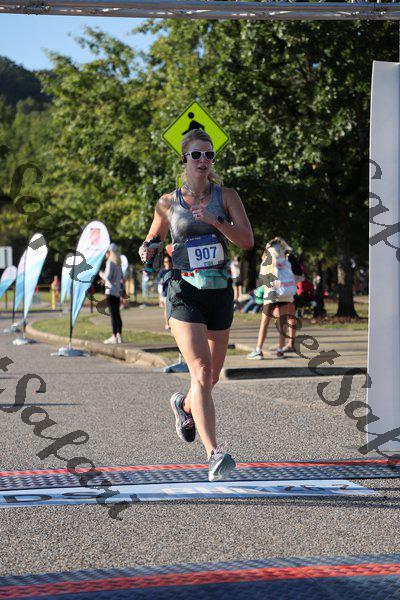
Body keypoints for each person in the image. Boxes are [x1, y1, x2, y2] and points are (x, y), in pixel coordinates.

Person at [139, 129, 253, 481]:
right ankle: (214, 453)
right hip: (183, 289)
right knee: (201, 371)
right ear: (185, 159)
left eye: (209, 155)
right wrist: (148, 251)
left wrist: (215, 220)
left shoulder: (226, 196)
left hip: (218, 290)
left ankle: (184, 405)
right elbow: (152, 242)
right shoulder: (167, 202)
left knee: (212, 376)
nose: (203, 161)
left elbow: (247, 241)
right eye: (197, 155)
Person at [247, 238, 299, 360]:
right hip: (285, 294)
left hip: (271, 294)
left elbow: (262, 278)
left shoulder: (267, 262)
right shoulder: (286, 262)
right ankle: (280, 350)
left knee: (264, 323)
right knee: (282, 323)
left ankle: (258, 350)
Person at [99, 243, 123, 344]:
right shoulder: (118, 263)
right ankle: (119, 335)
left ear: (110, 252)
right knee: (117, 314)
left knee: (113, 314)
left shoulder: (110, 262)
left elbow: (108, 277)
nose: (105, 254)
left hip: (110, 291)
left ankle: (114, 336)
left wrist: (101, 274)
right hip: (117, 291)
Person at [157, 255, 172, 329]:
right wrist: (160, 297)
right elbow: (159, 284)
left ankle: (172, 324)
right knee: (167, 308)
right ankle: (167, 323)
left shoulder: (173, 270)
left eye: (168, 261)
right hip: (165, 293)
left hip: (173, 293)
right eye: (165, 262)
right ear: (164, 263)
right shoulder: (162, 272)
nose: (167, 263)